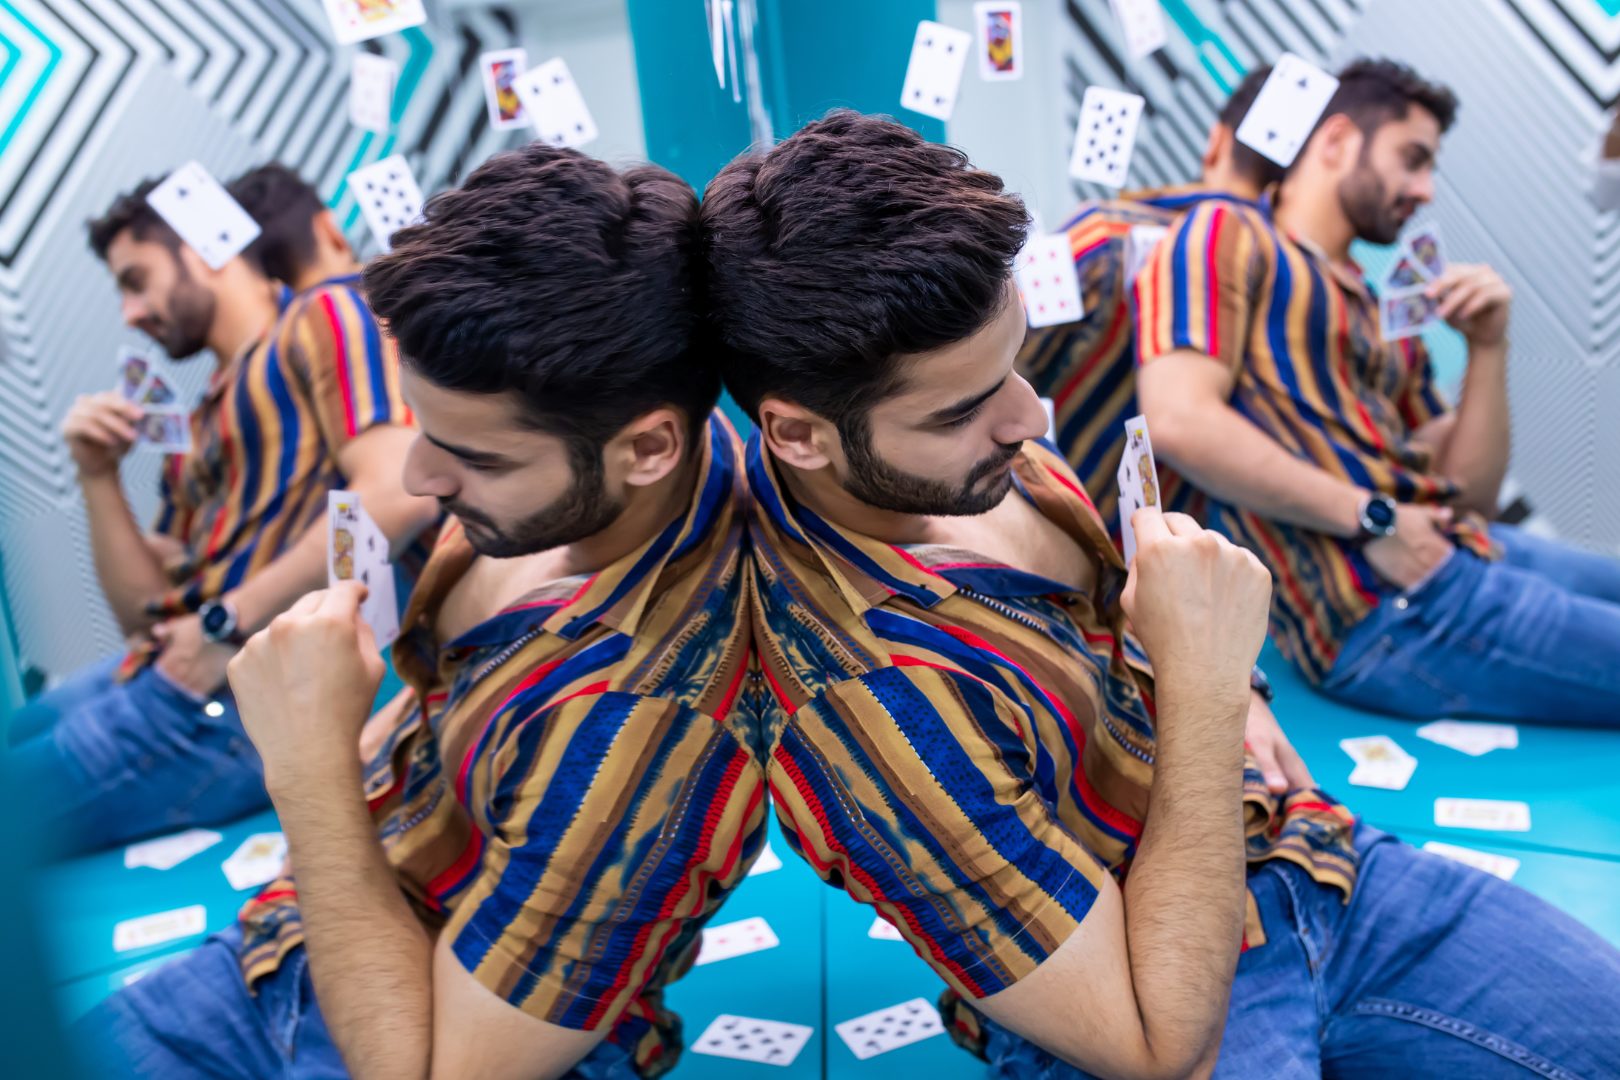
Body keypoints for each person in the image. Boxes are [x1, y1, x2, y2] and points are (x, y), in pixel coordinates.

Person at [700, 109, 1620, 1078]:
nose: (1025, 418)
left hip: (1309, 859)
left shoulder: (977, 459)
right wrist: (1211, 685)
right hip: (1149, 969)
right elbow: (1155, 1045)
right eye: (962, 408)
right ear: (799, 436)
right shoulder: (863, 704)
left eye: (1012, 362)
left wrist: (1228, 691)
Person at [76, 144, 764, 1080]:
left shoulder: (643, 724)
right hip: (287, 946)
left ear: (648, 448)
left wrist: (307, 766)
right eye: (426, 431)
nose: (415, 481)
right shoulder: (585, 464)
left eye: (473, 458)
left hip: (402, 1025)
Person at [1135, 58, 1620, 725]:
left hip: (1455, 556)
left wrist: (1488, 348)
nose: (1424, 190)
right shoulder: (1228, 233)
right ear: (1335, 141)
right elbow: (1180, 420)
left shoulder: (1381, 304)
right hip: (1385, 611)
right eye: (1412, 159)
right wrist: (1375, 516)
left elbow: (1470, 497)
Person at [5, 169, 436, 855]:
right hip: (168, 679)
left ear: (204, 246)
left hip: (241, 703)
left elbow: (396, 491)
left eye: (136, 279)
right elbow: (142, 615)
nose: (130, 313)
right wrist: (96, 476)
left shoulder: (326, 316)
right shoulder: (195, 419)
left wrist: (225, 623)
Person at [1018, 66, 1282, 539]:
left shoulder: (1105, 234)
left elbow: (997, 364)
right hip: (1149, 576)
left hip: (1028, 527)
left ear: (1216, 142)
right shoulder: (1294, 313)